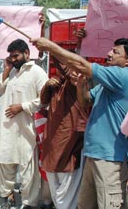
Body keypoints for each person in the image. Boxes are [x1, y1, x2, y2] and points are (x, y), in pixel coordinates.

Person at [31, 36, 128, 209]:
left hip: (111, 159)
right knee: (86, 204)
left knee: (109, 204)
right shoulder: (108, 84)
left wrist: (50, 47)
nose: (109, 53)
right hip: (95, 154)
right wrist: (81, 85)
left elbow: (83, 65)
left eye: (115, 51)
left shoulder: (125, 75)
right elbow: (85, 101)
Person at [0, 39, 48, 209]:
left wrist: (23, 107)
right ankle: (8, 196)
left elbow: (45, 99)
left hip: (26, 128)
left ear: (27, 53)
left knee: (28, 168)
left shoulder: (37, 72)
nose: (14, 59)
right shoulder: (11, 72)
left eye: (16, 56)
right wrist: (6, 69)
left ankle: (28, 202)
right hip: (7, 127)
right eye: (11, 56)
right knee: (5, 162)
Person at [40, 57, 89, 209]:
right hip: (52, 145)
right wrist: (48, 85)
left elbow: (66, 68)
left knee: (68, 194)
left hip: (70, 146)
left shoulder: (79, 84)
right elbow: (43, 101)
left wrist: (50, 48)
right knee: (56, 190)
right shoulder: (57, 84)